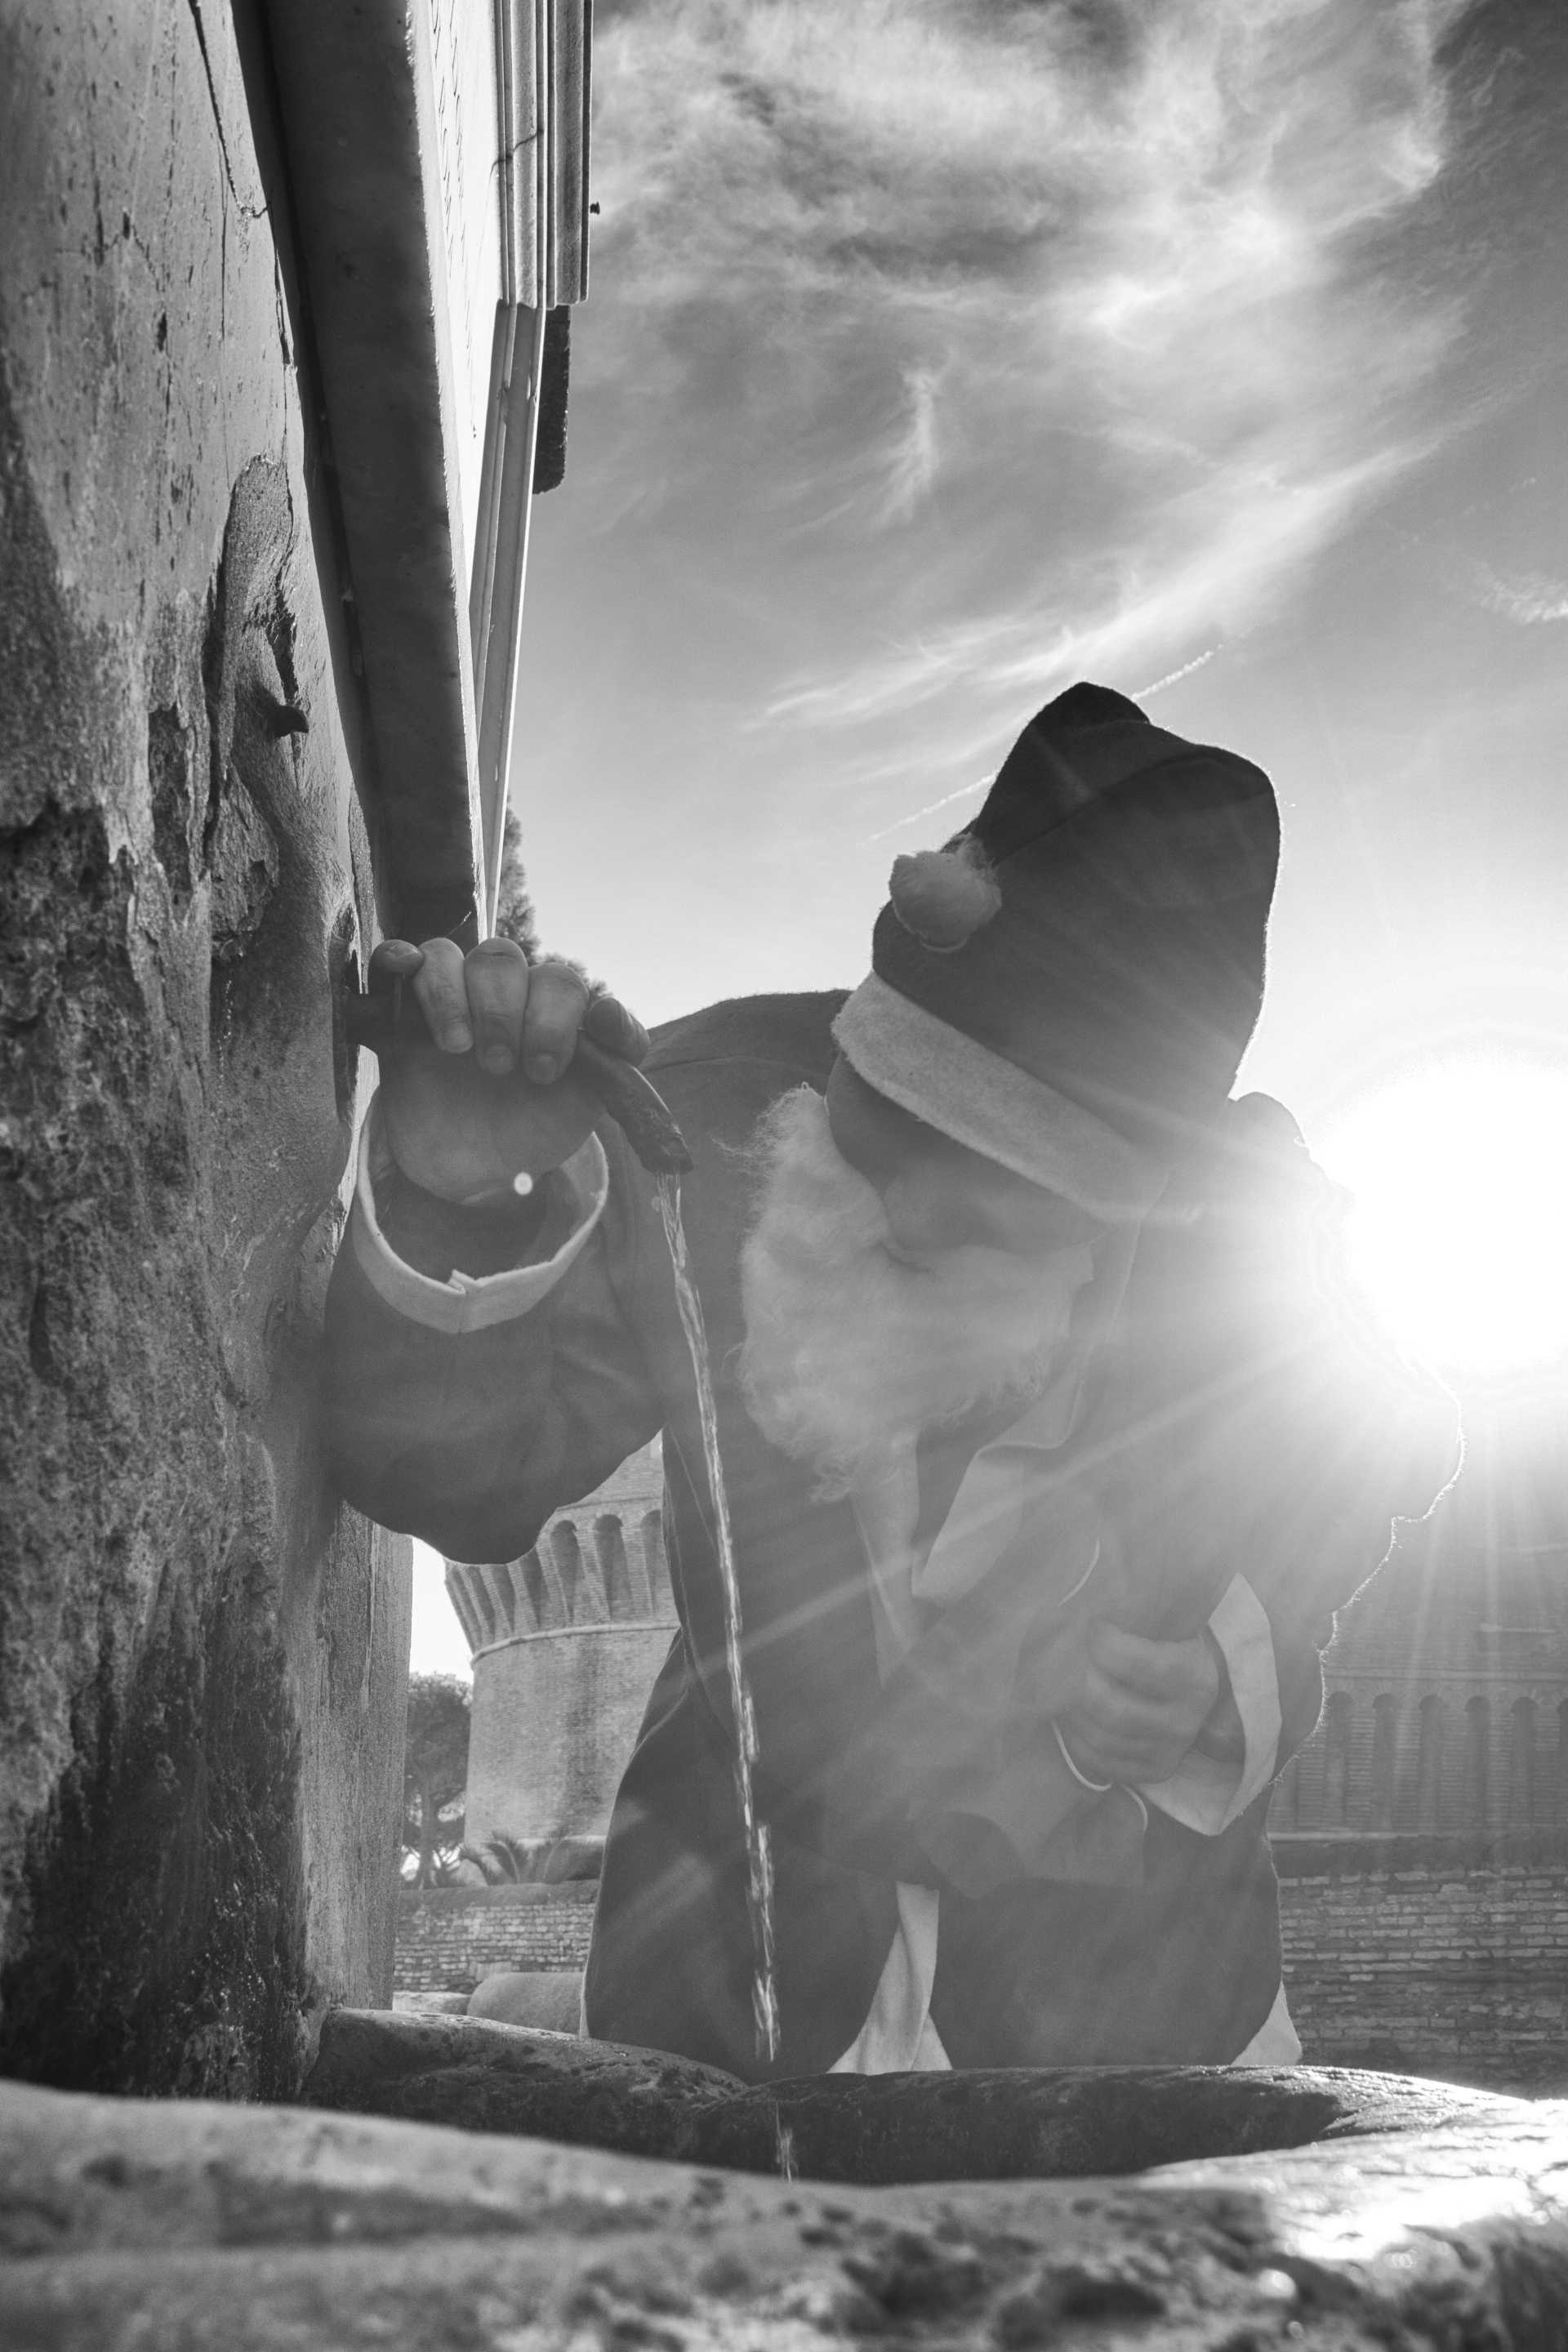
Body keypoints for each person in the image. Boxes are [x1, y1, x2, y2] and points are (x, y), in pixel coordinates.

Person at [327, 683, 1459, 2079]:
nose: (897, 1219)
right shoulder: (704, 1121)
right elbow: (447, 1478)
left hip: (1134, 2014)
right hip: (732, 1986)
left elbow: (1387, 1447)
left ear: (1121, 1226)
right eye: (873, 1136)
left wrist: (1234, 1665)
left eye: (982, 1208)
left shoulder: (1252, 1250)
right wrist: (454, 1196)